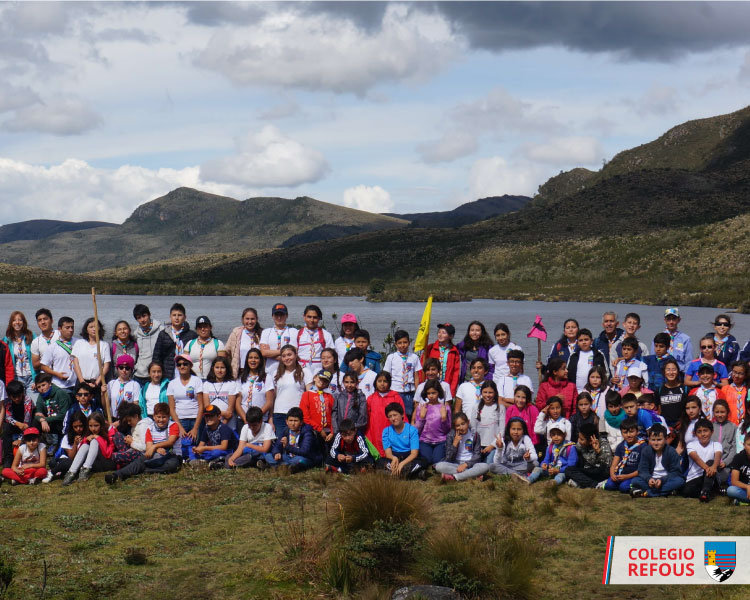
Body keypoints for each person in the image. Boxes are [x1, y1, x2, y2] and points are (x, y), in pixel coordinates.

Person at [105, 402, 181, 482]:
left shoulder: (173, 425)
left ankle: (144, 470)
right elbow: (148, 447)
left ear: (169, 417)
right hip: (155, 454)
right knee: (141, 461)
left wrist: (154, 447)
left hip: (171, 455)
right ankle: (116, 475)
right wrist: (154, 449)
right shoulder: (150, 428)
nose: (161, 420)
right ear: (154, 417)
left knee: (172, 464)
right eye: (158, 417)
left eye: (164, 417)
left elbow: (171, 441)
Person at [265, 345, 313, 434]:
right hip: (279, 414)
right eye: (284, 356)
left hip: (297, 415)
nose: (287, 358)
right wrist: (270, 418)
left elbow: (310, 396)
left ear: (295, 355)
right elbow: (272, 398)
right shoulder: (276, 373)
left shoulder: (305, 371)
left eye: (289, 355)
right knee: (281, 443)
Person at [630, 424, 685, 498]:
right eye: (653, 440)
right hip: (651, 480)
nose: (656, 443)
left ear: (665, 439)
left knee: (680, 481)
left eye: (659, 440)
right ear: (649, 439)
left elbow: (676, 472)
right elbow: (642, 470)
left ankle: (647, 493)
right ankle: (666, 492)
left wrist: (662, 480)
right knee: (635, 481)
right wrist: (649, 479)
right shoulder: (646, 451)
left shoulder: (671, 451)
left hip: (666, 480)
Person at [167, 353, 204, 459]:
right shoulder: (172, 384)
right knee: (181, 446)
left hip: (195, 418)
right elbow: (171, 408)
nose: (182, 366)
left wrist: (195, 428)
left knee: (195, 445)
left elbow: (201, 405)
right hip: (180, 419)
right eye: (179, 364)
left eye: (185, 364)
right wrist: (179, 427)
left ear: (190, 365)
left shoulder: (197, 381)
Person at [62, 412, 115, 485]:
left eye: (96, 425)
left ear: (101, 425)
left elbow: (108, 454)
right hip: (95, 462)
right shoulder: (89, 432)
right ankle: (71, 472)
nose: (93, 429)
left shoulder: (110, 431)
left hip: (108, 462)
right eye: (90, 426)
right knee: (86, 445)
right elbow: (80, 451)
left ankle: (86, 469)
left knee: (94, 441)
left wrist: (98, 438)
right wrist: (86, 440)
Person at [435, 411, 488, 482]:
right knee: (439, 466)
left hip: (471, 464)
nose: (461, 427)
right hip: (455, 464)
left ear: (468, 422)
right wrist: (454, 444)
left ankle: (455, 476)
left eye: (463, 424)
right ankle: (472, 474)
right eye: (458, 425)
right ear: (454, 427)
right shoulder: (451, 435)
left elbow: (477, 456)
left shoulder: (475, 435)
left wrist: (466, 464)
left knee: (485, 466)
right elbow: (448, 458)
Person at [266, 406, 320, 473]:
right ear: (286, 422)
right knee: (268, 456)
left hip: (304, 457)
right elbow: (277, 445)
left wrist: (287, 446)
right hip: (289, 457)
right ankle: (288, 466)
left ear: (301, 422)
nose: (293, 424)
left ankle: (281, 466)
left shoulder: (307, 432)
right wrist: (276, 453)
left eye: (296, 421)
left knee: (300, 460)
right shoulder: (286, 430)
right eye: (290, 420)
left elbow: (304, 451)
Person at [152, 303, 197, 380]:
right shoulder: (164, 334)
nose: (176, 318)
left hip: (186, 372)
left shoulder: (191, 335)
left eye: (179, 315)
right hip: (168, 374)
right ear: (170, 317)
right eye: (174, 315)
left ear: (185, 317)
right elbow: (157, 356)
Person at [364, 372, 405, 457]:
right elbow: (366, 416)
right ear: (375, 382)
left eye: (385, 381)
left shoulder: (395, 397)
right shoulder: (371, 398)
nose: (382, 384)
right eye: (379, 381)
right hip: (375, 429)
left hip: (392, 428)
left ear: (389, 383)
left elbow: (402, 415)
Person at [383, 330, 422, 419]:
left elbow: (416, 376)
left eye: (405, 342)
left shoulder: (414, 357)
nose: (402, 345)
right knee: (395, 414)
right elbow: (387, 375)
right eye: (399, 343)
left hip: (409, 392)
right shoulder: (391, 357)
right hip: (395, 391)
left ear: (409, 343)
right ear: (395, 344)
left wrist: (417, 393)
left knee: (408, 414)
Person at [72, 318, 111, 403]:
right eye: (91, 327)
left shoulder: (104, 345)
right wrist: (82, 382)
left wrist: (97, 382)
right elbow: (75, 363)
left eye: (96, 327)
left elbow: (106, 366)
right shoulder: (79, 343)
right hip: (81, 382)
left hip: (96, 383)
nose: (94, 329)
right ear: (86, 329)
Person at [683, 418, 723, 501]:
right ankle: (708, 491)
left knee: (711, 462)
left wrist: (713, 467)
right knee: (687, 492)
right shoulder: (691, 445)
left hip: (712, 475)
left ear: (711, 432)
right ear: (695, 434)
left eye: (705, 431)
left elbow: (717, 457)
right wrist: (707, 468)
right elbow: (696, 458)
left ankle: (705, 492)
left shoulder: (716, 444)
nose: (703, 434)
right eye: (699, 431)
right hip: (696, 477)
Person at [490, 416, 539, 483]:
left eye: (519, 429)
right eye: (513, 429)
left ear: (523, 430)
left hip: (521, 466)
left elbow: (535, 456)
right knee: (492, 466)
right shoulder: (503, 440)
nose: (516, 432)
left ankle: (510, 474)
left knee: (535, 463)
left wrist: (528, 458)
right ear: (509, 429)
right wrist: (499, 448)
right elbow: (496, 462)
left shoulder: (525, 439)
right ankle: (519, 475)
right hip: (506, 465)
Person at [413, 380, 451, 466]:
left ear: (439, 392)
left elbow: (447, 430)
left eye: (434, 393)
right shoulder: (421, 407)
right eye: (428, 393)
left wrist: (444, 418)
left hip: (440, 441)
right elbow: (417, 430)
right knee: (427, 460)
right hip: (425, 440)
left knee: (437, 461)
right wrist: (422, 418)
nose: (431, 396)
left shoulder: (445, 407)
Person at [33, 372, 71, 455]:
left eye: (43, 385)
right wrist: (42, 420)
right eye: (39, 387)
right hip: (49, 423)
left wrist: (45, 419)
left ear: (49, 384)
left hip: (63, 423)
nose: (42, 388)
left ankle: (58, 445)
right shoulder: (41, 396)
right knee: (35, 423)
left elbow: (64, 415)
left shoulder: (60, 393)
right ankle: (35, 447)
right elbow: (37, 413)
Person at [604, 418, 646, 493]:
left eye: (631, 432)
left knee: (623, 488)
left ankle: (635, 486)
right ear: (621, 433)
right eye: (625, 432)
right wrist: (612, 474)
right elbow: (614, 464)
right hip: (620, 474)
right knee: (609, 486)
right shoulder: (621, 446)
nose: (629, 435)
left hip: (633, 475)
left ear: (637, 432)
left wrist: (627, 477)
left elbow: (642, 469)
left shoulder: (643, 446)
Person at [565, 422, 612, 489]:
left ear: (590, 441)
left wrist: (598, 452)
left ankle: (588, 484)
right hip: (588, 470)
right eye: (579, 438)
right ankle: (593, 484)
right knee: (568, 470)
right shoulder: (580, 444)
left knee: (602, 471)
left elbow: (608, 464)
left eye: (582, 439)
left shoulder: (603, 443)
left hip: (600, 471)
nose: (579, 441)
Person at [40, 316, 77, 395]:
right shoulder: (53, 347)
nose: (71, 330)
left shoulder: (79, 342)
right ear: (59, 329)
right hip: (60, 386)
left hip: (77, 386)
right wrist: (57, 374)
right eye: (67, 327)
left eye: (72, 327)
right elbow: (43, 366)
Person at [46, 411, 87, 483]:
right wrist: (75, 444)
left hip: (82, 462)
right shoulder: (67, 437)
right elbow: (71, 457)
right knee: (57, 462)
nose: (78, 429)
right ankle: (56, 471)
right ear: (72, 426)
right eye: (75, 427)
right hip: (70, 460)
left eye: (81, 426)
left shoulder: (87, 436)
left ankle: (56, 471)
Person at [469, 381, 505, 463]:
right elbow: (473, 429)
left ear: (495, 393)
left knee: (488, 465)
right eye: (485, 392)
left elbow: (502, 430)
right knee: (475, 463)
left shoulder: (500, 408)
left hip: (492, 445)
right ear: (481, 392)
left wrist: (492, 445)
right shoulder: (476, 407)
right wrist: (477, 446)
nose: (487, 395)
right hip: (478, 445)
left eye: (490, 392)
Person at [299, 369, 335, 449]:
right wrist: (319, 429)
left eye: (325, 381)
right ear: (315, 377)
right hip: (313, 431)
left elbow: (334, 415)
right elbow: (305, 417)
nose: (322, 381)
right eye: (320, 378)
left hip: (328, 432)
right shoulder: (307, 395)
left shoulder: (329, 397)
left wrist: (332, 431)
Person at [2, 380, 33, 468]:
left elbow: (27, 422)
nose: (17, 399)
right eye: (14, 397)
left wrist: (20, 439)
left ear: (22, 393)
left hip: (27, 424)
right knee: (6, 428)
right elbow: (8, 418)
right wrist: (17, 423)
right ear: (9, 396)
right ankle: (8, 458)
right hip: (16, 423)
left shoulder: (27, 400)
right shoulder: (7, 402)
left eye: (19, 396)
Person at [422, 323, 460, 396]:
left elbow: (456, 372)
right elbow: (423, 366)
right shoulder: (431, 348)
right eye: (439, 332)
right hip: (431, 385)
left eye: (444, 333)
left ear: (451, 336)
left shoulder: (454, 351)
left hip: (446, 385)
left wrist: (452, 390)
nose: (440, 334)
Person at [225, 307, 262, 379]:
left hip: (258, 373)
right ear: (242, 319)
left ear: (256, 319)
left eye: (252, 319)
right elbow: (226, 351)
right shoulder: (236, 333)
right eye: (247, 319)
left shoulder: (262, 334)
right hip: (240, 372)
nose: (250, 322)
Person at [3, 311, 35, 394]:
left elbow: (38, 357)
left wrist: (37, 379)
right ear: (11, 323)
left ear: (24, 322)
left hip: (31, 377)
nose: (17, 322)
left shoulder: (32, 337)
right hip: (16, 378)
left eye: (20, 320)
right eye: (14, 320)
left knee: (33, 404)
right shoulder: (7, 340)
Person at [259, 303, 297, 372]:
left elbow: (294, 351)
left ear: (287, 316)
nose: (279, 318)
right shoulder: (266, 332)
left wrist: (270, 353)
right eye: (276, 315)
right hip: (270, 371)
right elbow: (263, 353)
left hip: (288, 370)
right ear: (272, 316)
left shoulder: (293, 331)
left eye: (282, 315)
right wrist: (285, 353)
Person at [203, 356, 239, 429]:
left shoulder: (232, 384)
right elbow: (207, 407)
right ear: (213, 368)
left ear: (227, 369)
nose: (219, 370)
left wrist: (222, 425)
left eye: (222, 367)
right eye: (217, 367)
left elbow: (229, 412)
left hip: (228, 425)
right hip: (211, 425)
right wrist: (221, 413)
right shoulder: (207, 384)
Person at [236, 348, 270, 427]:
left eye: (256, 358)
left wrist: (256, 418)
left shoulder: (266, 378)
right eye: (250, 358)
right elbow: (237, 403)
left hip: (260, 420)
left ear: (260, 360)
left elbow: (269, 402)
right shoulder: (241, 378)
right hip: (243, 421)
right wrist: (245, 419)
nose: (253, 360)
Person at [132, 304, 164, 386]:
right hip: (139, 375)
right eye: (139, 318)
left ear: (149, 315)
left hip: (155, 375)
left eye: (144, 316)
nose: (142, 320)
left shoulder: (161, 330)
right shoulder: (136, 334)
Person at [654, 308, 692, 372]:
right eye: (668, 319)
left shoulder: (685, 339)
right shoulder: (658, 338)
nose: (671, 322)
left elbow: (688, 362)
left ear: (679, 320)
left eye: (674, 319)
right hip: (662, 372)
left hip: (679, 374)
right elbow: (654, 358)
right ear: (665, 320)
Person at [296, 305, 334, 370]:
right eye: (309, 317)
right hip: (301, 370)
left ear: (319, 318)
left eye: (315, 317)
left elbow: (331, 355)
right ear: (304, 317)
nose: (312, 320)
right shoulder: (297, 333)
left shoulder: (326, 334)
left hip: (319, 371)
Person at [710, 399, 736, 491]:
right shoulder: (710, 426)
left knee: (726, 477)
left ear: (727, 412)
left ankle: (721, 484)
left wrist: (726, 462)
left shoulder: (733, 427)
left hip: (727, 464)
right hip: (712, 463)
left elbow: (733, 447)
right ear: (713, 412)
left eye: (722, 412)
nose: (720, 415)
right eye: (717, 412)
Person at [106, 354, 141, 419]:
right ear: (117, 369)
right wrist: (102, 394)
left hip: (127, 419)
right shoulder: (111, 384)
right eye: (121, 367)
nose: (124, 370)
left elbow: (135, 405)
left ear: (131, 370)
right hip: (112, 418)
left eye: (127, 368)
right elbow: (106, 403)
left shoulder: (135, 385)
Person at [656, 358, 687, 429]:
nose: (671, 372)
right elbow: (659, 410)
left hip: (681, 426)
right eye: (668, 370)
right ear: (664, 372)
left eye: (673, 369)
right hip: (665, 427)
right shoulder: (659, 390)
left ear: (678, 371)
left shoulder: (685, 389)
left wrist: (682, 422)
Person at [30, 308, 59, 381]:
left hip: (61, 375)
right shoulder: (36, 341)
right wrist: (49, 358)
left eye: (45, 319)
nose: (42, 322)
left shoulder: (60, 335)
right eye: (39, 320)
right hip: (46, 379)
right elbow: (35, 365)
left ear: (51, 320)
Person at [727, 432, 750, 505]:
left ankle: (743, 501)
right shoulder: (738, 457)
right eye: (749, 445)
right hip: (744, 489)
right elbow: (734, 481)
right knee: (731, 490)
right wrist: (747, 487)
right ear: (744, 445)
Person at [724, 361, 748, 425]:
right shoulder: (725, 389)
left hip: (746, 425)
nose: (736, 376)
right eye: (734, 372)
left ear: (745, 375)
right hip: (729, 424)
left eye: (741, 373)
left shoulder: (748, 389)